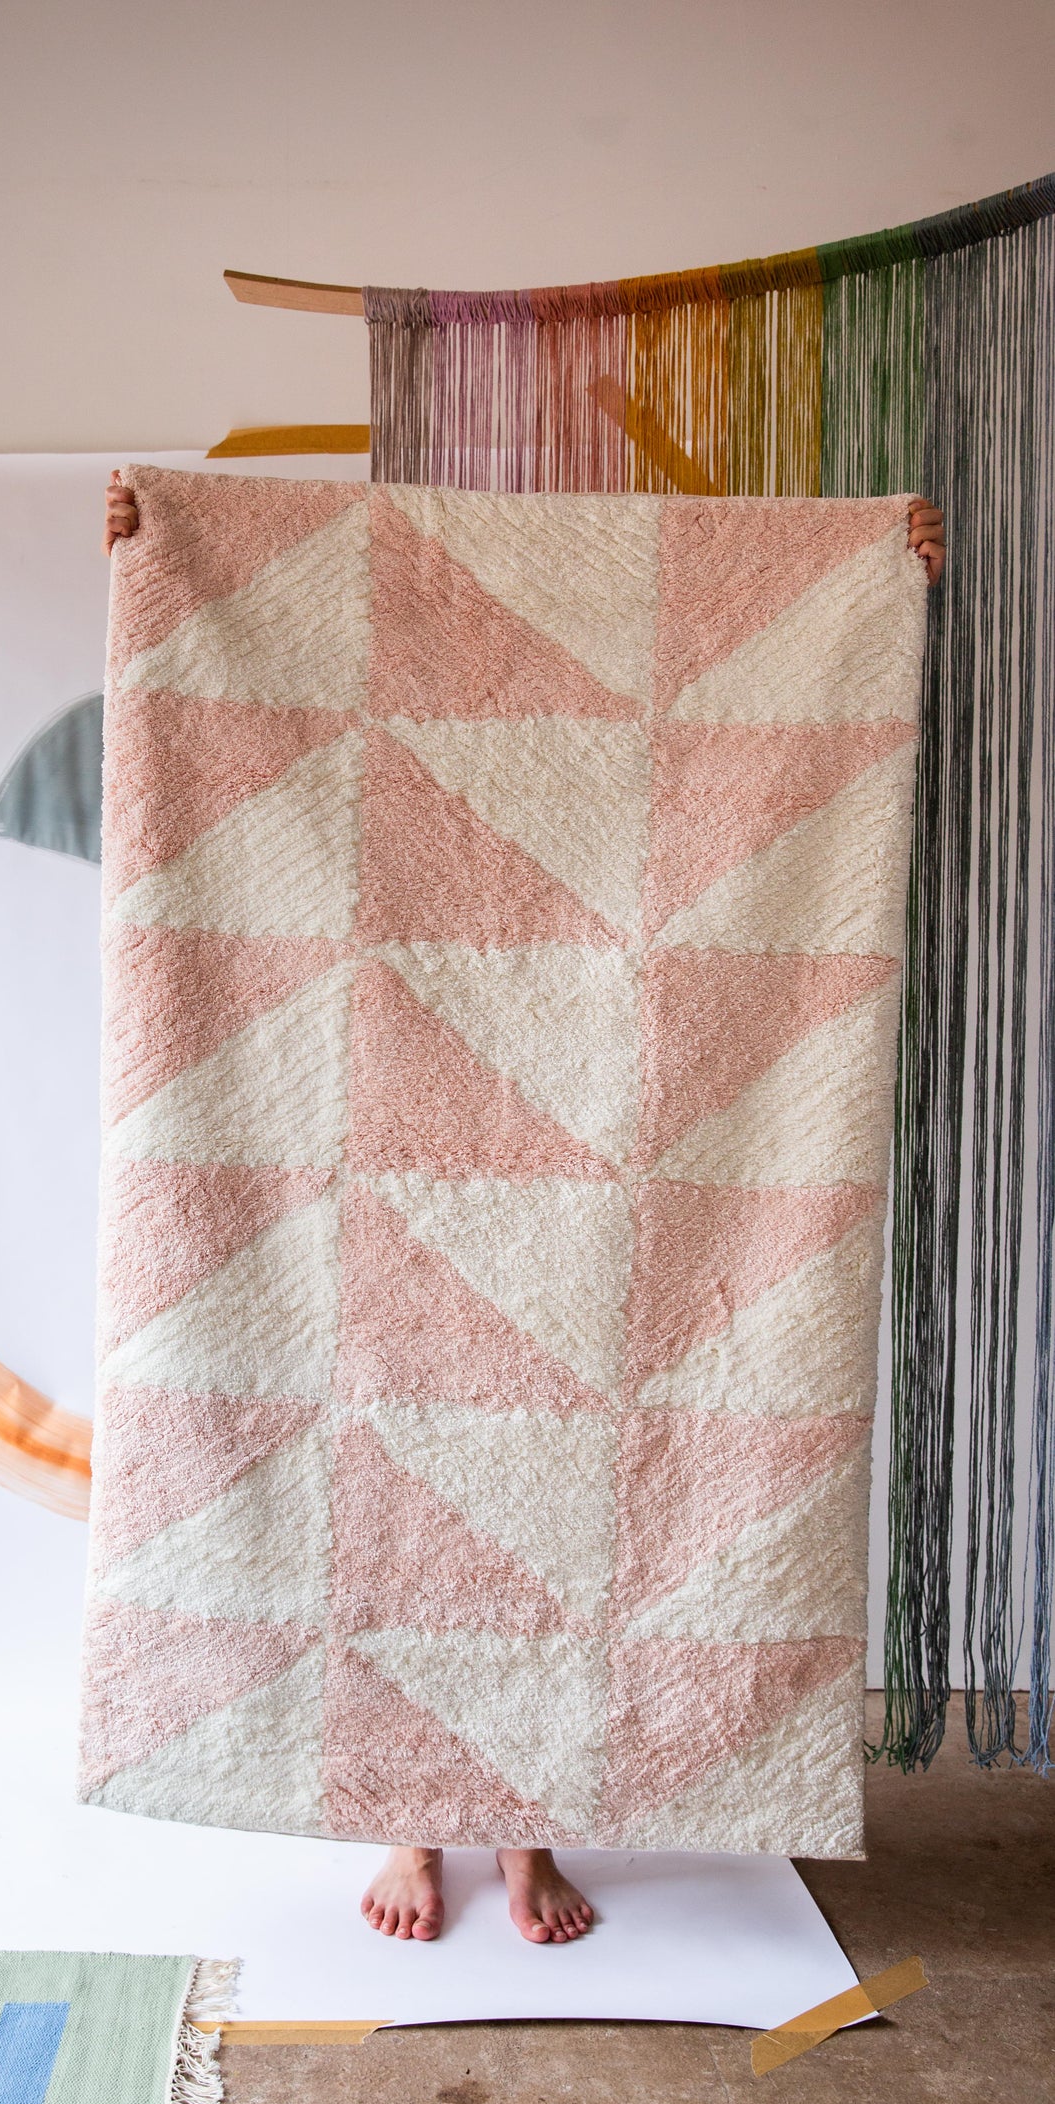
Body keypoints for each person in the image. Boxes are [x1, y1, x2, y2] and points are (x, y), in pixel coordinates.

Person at [102, 474, 947, 1944]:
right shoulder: (380, 627)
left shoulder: (612, 644)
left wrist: (872, 574)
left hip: (591, 1128)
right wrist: (153, 548)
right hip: (378, 1104)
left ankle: (528, 1837)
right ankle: (415, 1827)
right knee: (397, 1467)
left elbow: (666, 727)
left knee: (565, 1517)